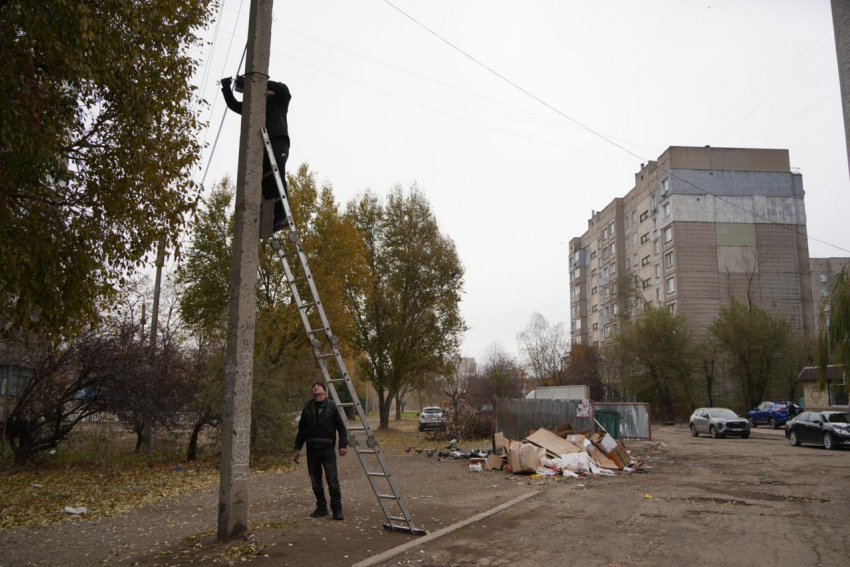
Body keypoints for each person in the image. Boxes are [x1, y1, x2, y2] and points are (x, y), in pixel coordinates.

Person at [220, 74, 291, 232]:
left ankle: (283, 214)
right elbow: (235, 105)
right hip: (262, 145)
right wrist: (226, 88)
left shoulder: (281, 99)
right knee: (265, 180)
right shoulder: (258, 106)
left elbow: (281, 88)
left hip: (278, 139)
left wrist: (257, 81)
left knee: (277, 173)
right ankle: (274, 216)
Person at [293, 382, 348, 520]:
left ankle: (337, 510)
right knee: (315, 482)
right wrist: (297, 448)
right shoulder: (307, 408)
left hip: (327, 449)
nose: (315, 387)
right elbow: (301, 431)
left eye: (318, 386)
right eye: (314, 386)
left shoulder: (332, 406)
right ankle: (321, 508)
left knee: (333, 481)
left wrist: (342, 445)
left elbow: (341, 428)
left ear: (324, 390)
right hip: (312, 450)